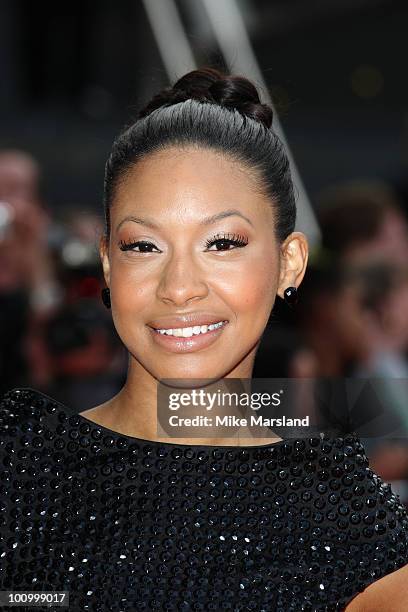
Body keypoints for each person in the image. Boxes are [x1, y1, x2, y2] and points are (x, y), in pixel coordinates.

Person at [1, 67, 407, 612]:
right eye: (144, 247)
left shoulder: (352, 528)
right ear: (106, 263)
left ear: (289, 264)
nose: (179, 288)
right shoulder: (21, 465)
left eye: (221, 242)